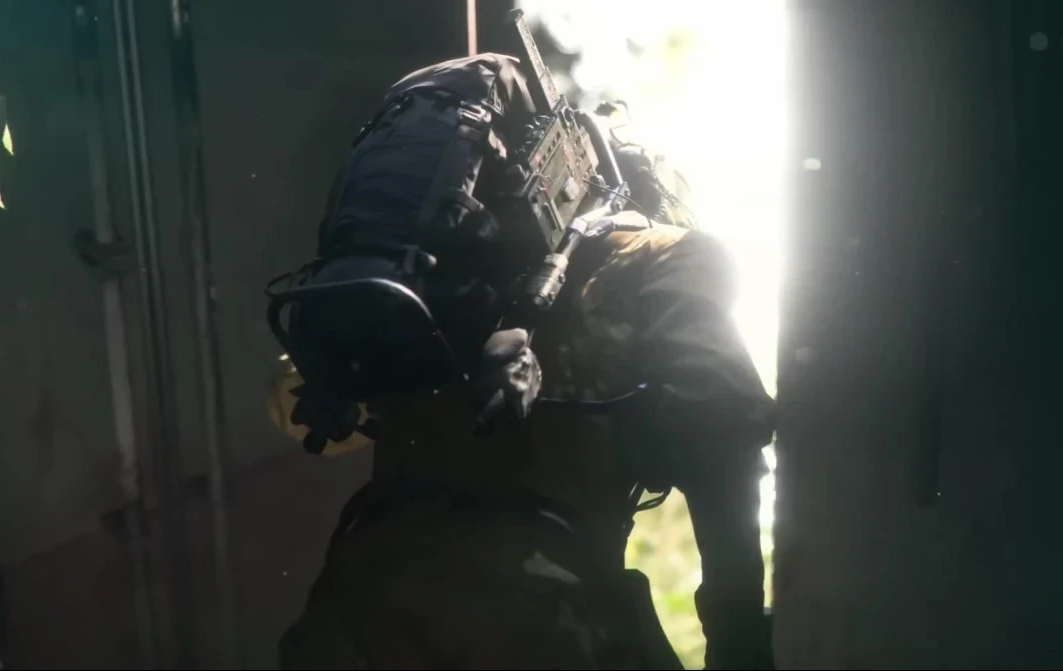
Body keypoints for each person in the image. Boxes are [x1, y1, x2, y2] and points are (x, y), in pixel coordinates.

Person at [269, 56, 775, 670]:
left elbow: (296, 407)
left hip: (354, 612)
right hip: (537, 619)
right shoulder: (664, 254)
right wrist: (740, 636)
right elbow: (721, 436)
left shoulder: (432, 273)